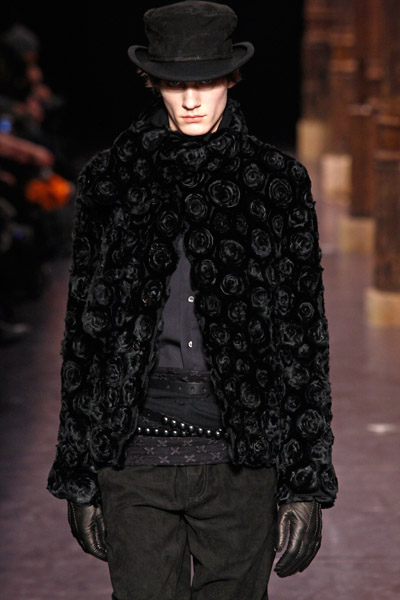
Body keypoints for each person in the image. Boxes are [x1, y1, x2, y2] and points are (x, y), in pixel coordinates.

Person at [47, 2, 339, 598]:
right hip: (133, 457)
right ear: (151, 81)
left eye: (205, 82)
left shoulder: (275, 186)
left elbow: (303, 337)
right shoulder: (111, 181)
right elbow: (84, 335)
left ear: (231, 77)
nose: (190, 101)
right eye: (175, 84)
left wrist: (305, 481)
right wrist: (79, 472)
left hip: (242, 459)